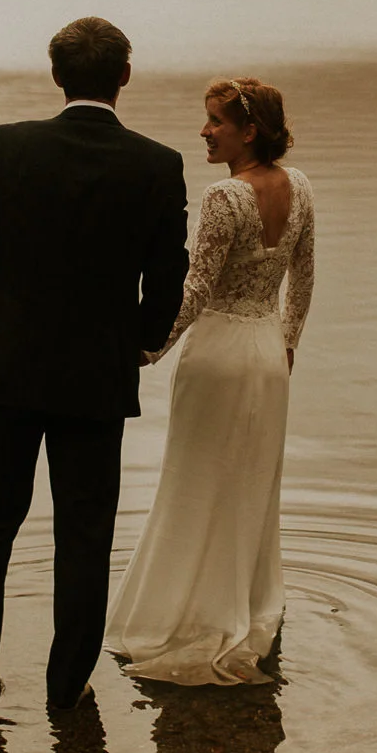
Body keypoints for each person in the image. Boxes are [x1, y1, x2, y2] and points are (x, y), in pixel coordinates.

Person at [0, 17, 189, 715]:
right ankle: (66, 687)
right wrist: (139, 342)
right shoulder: (157, 165)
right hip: (95, 378)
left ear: (57, 76)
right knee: (84, 532)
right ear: (124, 77)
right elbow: (169, 279)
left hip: (4, 370)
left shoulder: (9, 146)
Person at [104, 77, 315, 685]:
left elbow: (195, 290)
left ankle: (190, 614)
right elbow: (303, 277)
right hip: (267, 354)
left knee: (195, 481)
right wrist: (289, 340)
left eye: (215, 121)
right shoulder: (300, 186)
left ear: (249, 131)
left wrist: (148, 349)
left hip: (219, 354)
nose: (204, 131)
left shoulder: (226, 197)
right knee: (251, 486)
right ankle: (247, 608)